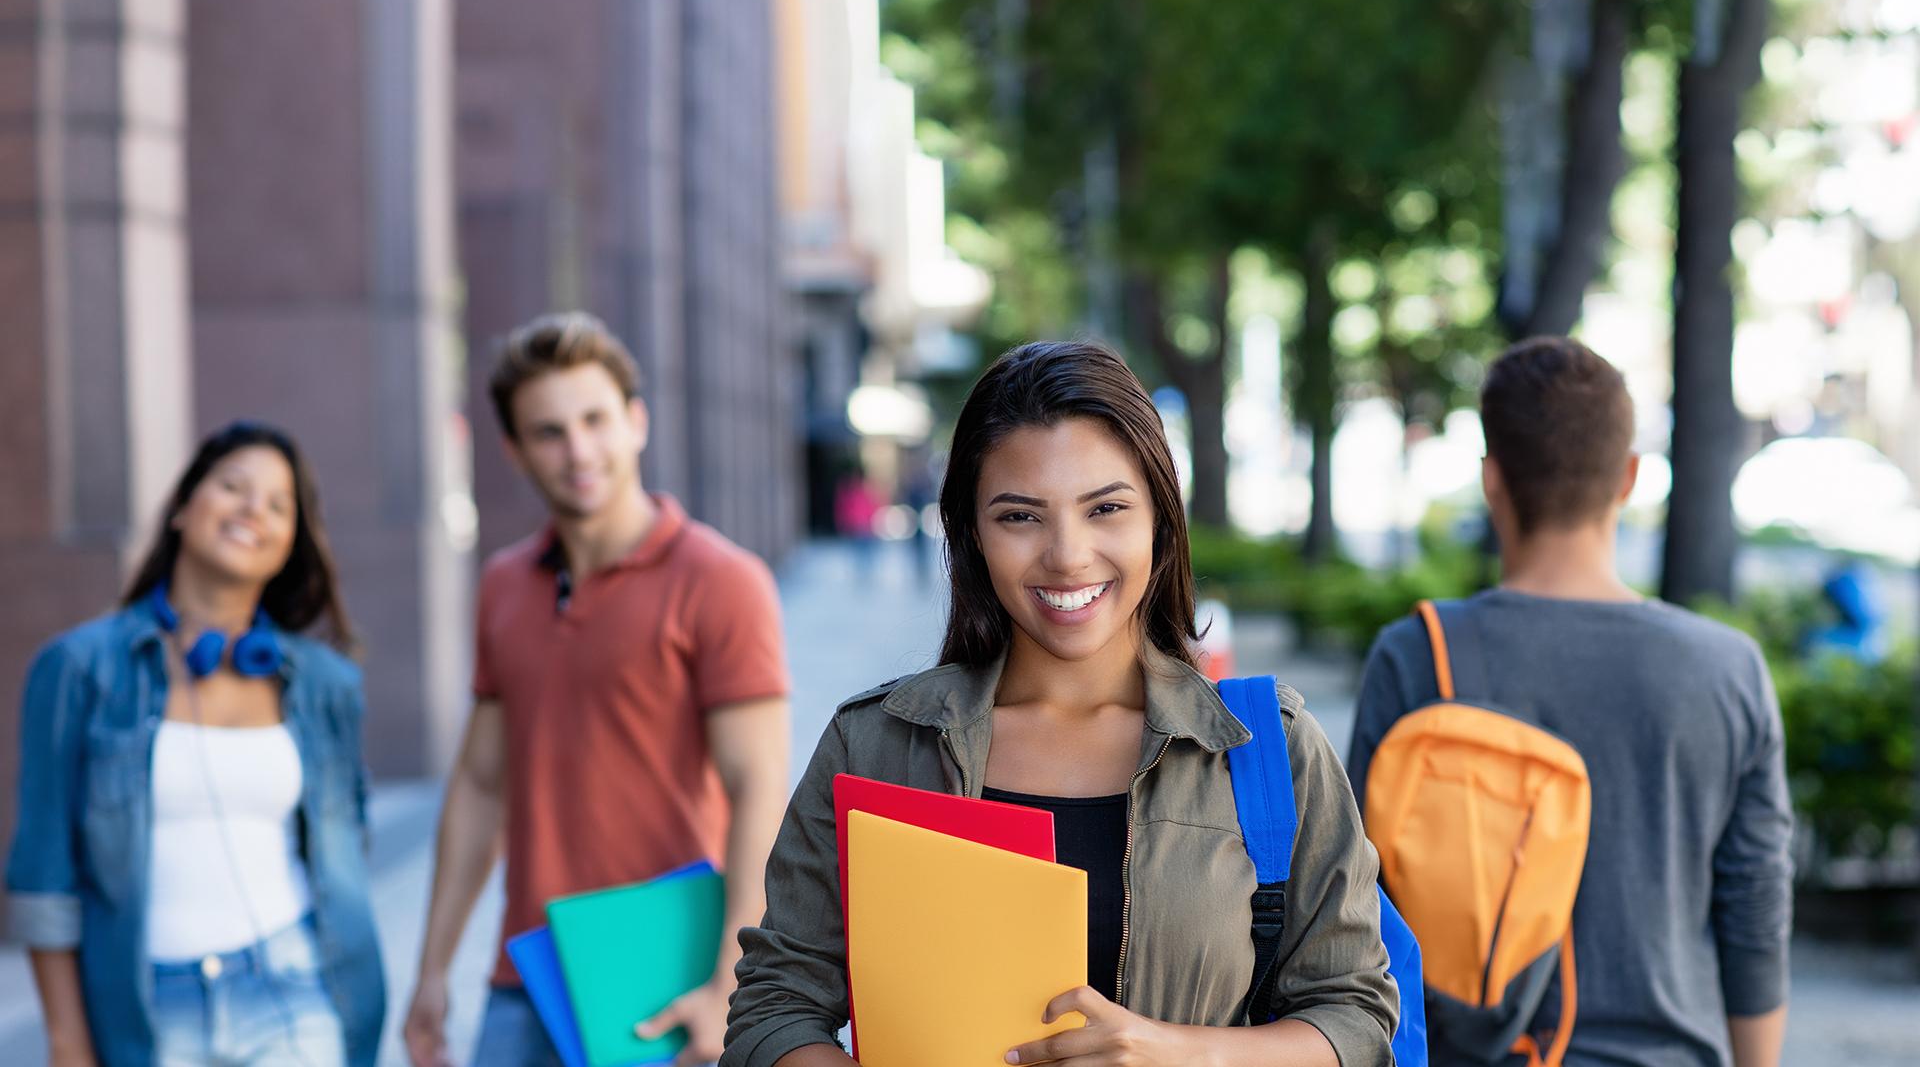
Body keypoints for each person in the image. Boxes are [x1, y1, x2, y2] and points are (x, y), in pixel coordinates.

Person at [724, 341, 1397, 1067]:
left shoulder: (1269, 748)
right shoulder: (878, 746)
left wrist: (1182, 1053)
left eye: (1106, 507)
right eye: (1020, 516)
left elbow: (1356, 1014)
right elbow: (774, 1005)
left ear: (1161, 521)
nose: (1068, 555)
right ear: (972, 535)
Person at [1347, 337, 1793, 1067]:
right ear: (1629, 477)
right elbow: (1756, 908)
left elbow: (1358, 907)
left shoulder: (1419, 654)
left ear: (1493, 480)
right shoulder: (1728, 668)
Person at [403, 313, 792, 1067]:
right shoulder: (504, 585)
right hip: (526, 975)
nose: (578, 450)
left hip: (658, 977)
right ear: (514, 452)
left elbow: (759, 789)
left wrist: (730, 984)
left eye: (595, 420)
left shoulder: (722, 582)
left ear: (636, 422)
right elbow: (481, 785)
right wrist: (430, 971)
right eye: (548, 432)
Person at [7, 421, 386, 1066]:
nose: (252, 511)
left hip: (293, 984)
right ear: (183, 507)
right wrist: (68, 1041)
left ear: (291, 541)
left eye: (276, 505)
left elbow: (345, 844)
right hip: (148, 1008)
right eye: (233, 487)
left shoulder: (326, 685)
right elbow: (44, 872)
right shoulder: (79, 668)